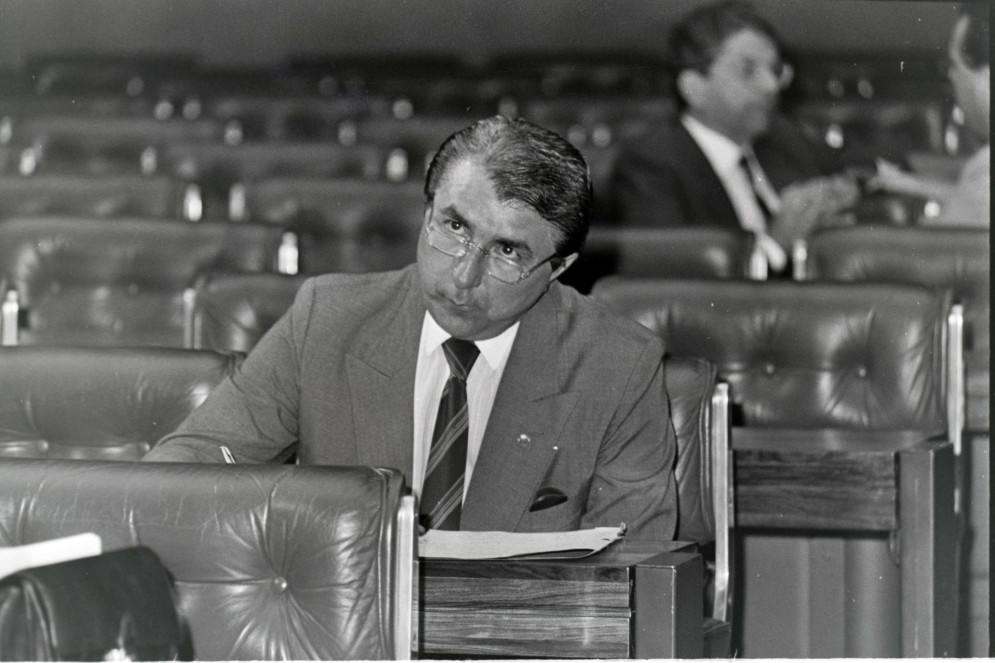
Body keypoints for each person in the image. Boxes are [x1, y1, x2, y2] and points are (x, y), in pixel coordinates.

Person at [145, 116, 678, 540]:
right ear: (426, 214)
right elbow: (186, 467)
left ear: (559, 269)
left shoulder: (618, 365)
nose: (463, 276)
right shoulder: (327, 318)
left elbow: (634, 573)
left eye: (508, 252)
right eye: (454, 227)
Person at [609, 0, 858, 275]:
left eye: (775, 70)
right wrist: (775, 245)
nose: (771, 86)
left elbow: (857, 173)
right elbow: (673, 288)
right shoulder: (650, 165)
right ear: (694, 87)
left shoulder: (784, 139)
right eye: (748, 70)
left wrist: (840, 196)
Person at [868, 3, 989, 227]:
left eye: (955, 65)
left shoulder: (984, 169)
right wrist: (910, 183)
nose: (952, 78)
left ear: (986, 78)